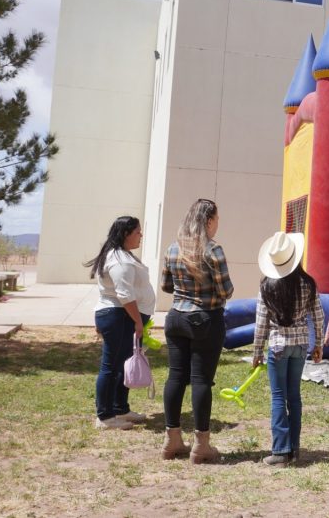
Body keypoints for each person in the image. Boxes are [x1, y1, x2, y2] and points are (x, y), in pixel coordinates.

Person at [160, 198, 234, 463]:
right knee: (201, 381)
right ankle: (201, 445)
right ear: (209, 221)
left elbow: (166, 286)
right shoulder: (213, 250)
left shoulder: (173, 248)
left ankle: (172, 440)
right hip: (205, 318)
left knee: (175, 377)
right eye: (217, 219)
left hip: (175, 318)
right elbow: (226, 291)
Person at [252, 232, 324, 466]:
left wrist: (257, 352)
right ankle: (294, 448)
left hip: (278, 346)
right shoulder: (308, 283)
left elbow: (261, 322)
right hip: (300, 345)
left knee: (278, 396)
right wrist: (318, 344)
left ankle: (280, 451)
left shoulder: (266, 285)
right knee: (294, 396)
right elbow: (318, 316)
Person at [85, 216, 156, 430]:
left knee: (124, 364)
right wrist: (138, 322)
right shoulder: (119, 260)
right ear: (126, 234)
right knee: (111, 366)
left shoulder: (123, 255)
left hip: (123, 316)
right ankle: (105, 417)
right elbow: (124, 295)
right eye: (137, 232)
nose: (141, 235)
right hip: (120, 317)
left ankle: (120, 408)